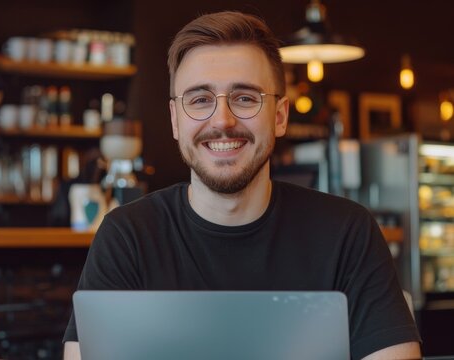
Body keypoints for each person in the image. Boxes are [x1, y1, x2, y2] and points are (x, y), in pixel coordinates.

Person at [63, 10, 421, 360]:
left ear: (279, 116)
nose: (222, 120)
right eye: (200, 100)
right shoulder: (127, 235)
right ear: (175, 120)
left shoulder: (347, 232)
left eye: (245, 98)